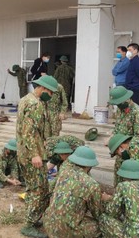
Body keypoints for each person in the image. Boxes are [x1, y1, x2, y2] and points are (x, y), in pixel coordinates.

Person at [16, 75, 58, 238]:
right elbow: (29, 132)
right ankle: (28, 225)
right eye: (51, 92)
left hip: (24, 152)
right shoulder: (35, 104)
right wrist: (35, 154)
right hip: (32, 154)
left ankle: (33, 218)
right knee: (38, 190)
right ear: (43, 88)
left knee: (35, 187)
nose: (52, 96)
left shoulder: (26, 99)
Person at [42, 146, 102, 238]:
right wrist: (105, 199)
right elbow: (97, 213)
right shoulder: (92, 184)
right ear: (90, 165)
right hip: (66, 232)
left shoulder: (63, 173)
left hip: (48, 224)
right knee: (102, 224)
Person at [107, 86, 139, 185]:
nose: (117, 106)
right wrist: (112, 139)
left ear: (126, 100)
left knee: (129, 184)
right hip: (119, 152)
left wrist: (126, 151)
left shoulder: (137, 112)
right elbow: (117, 128)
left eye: (118, 103)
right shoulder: (120, 110)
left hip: (130, 154)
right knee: (118, 182)